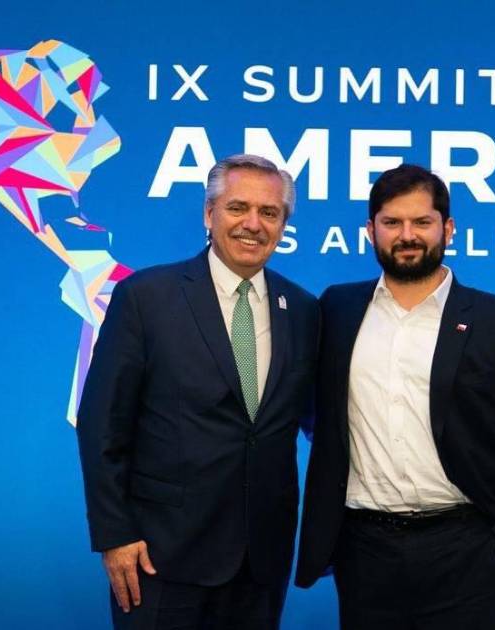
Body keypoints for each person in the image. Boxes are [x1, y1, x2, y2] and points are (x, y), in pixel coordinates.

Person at [296, 164, 495, 629]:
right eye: (392, 222)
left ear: (448, 228)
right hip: (364, 553)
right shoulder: (336, 309)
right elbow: (315, 415)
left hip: (469, 549)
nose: (407, 235)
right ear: (370, 231)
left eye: (422, 222)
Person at [76, 154, 319, 629]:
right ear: (209, 214)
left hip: (260, 563)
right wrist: (114, 534)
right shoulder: (146, 297)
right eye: (238, 208)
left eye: (269, 212)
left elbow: (314, 423)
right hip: (158, 556)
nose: (253, 224)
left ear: (283, 224)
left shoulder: (304, 309)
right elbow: (101, 422)